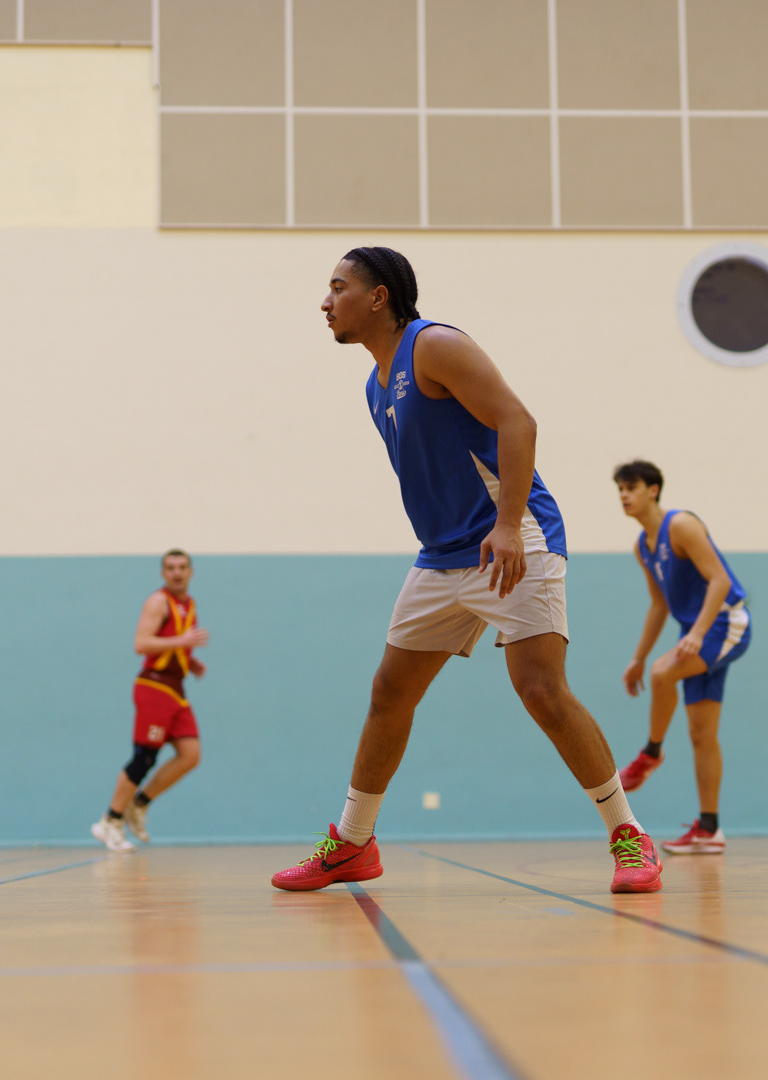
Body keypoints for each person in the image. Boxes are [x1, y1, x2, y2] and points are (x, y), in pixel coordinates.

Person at [270, 246, 662, 894]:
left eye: (338, 288)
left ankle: (629, 835)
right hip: (443, 555)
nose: (325, 302)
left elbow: (518, 421)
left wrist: (505, 526)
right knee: (389, 692)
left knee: (541, 690)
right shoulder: (375, 385)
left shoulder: (435, 345)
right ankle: (353, 844)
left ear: (378, 297)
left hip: (513, 538)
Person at [613, 461, 750, 854]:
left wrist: (698, 632)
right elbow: (659, 605)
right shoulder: (643, 546)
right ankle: (709, 829)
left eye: (631, 487)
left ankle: (650, 754)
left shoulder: (681, 525)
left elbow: (721, 580)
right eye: (620, 489)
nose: (624, 495)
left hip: (725, 623)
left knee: (663, 673)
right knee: (701, 734)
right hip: (697, 633)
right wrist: (637, 658)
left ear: (653, 489)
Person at [91, 549, 209, 852]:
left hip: (176, 688)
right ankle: (110, 820)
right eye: (170, 567)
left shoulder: (189, 604)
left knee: (190, 754)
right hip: (154, 686)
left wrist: (189, 660)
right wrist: (183, 642)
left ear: (191, 571)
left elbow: (170, 643)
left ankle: (139, 803)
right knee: (145, 756)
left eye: (182, 567)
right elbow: (141, 643)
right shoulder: (158, 601)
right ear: (163, 573)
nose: (177, 572)